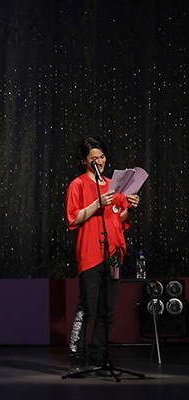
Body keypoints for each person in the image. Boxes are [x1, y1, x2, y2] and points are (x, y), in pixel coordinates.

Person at [67, 137, 141, 375]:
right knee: (87, 307)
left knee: (107, 310)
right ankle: (77, 355)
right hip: (90, 253)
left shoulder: (114, 185)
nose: (99, 162)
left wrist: (130, 208)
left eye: (102, 157)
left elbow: (118, 220)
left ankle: (100, 358)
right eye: (93, 159)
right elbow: (73, 218)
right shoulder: (77, 185)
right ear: (84, 161)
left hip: (113, 255)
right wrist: (96, 204)